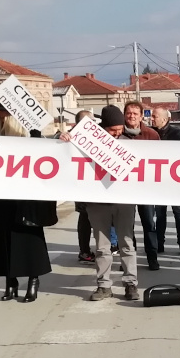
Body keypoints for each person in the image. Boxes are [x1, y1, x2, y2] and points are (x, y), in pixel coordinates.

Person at [62, 105, 140, 301]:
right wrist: (64, 138)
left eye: (120, 129)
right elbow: (63, 152)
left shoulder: (130, 143)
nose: (117, 133)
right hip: (97, 203)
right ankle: (104, 285)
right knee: (103, 247)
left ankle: (131, 284)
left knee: (126, 244)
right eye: (113, 130)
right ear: (102, 128)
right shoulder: (85, 143)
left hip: (124, 202)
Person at [0, 111, 54, 303]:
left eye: (4, 115)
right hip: (3, 198)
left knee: (28, 239)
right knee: (4, 239)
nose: (1, 117)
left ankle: (34, 280)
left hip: (27, 200)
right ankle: (10, 281)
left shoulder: (34, 138)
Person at [122, 101, 161, 270]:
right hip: (123, 188)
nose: (132, 116)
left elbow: (162, 159)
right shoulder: (116, 133)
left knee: (148, 224)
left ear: (141, 116)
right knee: (126, 226)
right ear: (124, 115)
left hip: (145, 189)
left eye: (135, 113)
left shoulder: (151, 134)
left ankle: (152, 257)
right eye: (129, 113)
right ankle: (128, 260)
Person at [151, 107, 180, 255]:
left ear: (165, 119)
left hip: (174, 181)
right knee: (160, 214)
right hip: (159, 181)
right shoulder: (150, 134)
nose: (152, 119)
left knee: (178, 212)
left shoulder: (177, 134)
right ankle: (159, 243)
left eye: (155, 116)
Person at [72, 110, 96, 263]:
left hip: (96, 184)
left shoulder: (97, 136)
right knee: (85, 218)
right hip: (81, 185)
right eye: (90, 121)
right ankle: (84, 251)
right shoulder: (70, 136)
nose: (93, 124)